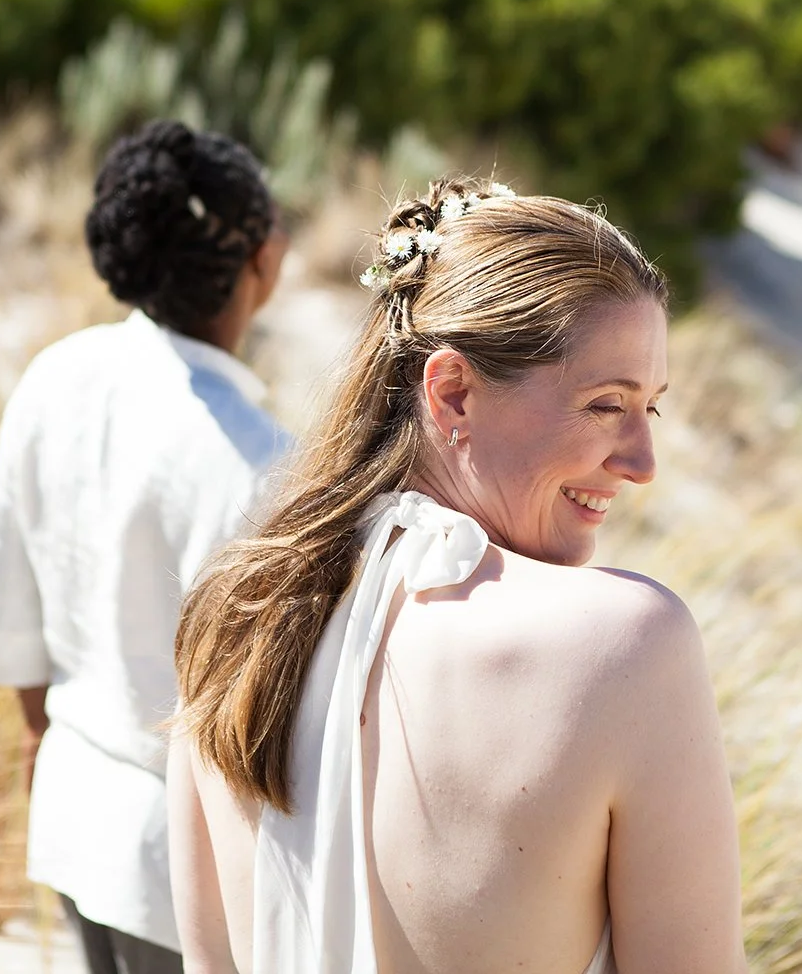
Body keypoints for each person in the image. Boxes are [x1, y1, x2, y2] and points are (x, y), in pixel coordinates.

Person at [168, 179, 746, 973]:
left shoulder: (235, 618)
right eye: (607, 404)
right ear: (452, 393)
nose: (643, 462)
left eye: (653, 408)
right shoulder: (628, 648)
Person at [0, 119, 291, 974]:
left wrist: (52, 739)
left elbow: (11, 611)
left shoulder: (57, 376)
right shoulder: (259, 460)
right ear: (260, 258)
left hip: (73, 812)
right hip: (185, 868)